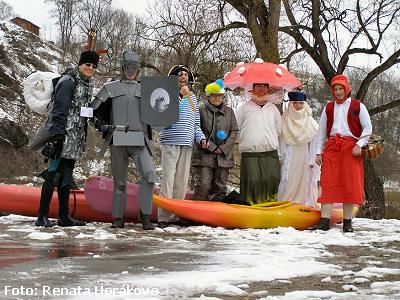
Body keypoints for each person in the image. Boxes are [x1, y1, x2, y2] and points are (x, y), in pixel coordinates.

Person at [91, 51, 156, 230]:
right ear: (122, 67)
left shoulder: (147, 90)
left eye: (133, 67)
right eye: (127, 67)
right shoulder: (110, 87)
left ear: (138, 69)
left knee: (149, 176)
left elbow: (161, 110)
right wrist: (101, 124)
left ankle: (144, 215)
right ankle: (118, 217)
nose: (130, 70)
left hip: (140, 139)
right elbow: (94, 112)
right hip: (117, 139)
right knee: (119, 183)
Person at [35, 50, 99, 227]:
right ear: (80, 64)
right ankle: (42, 216)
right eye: (87, 64)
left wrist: (98, 123)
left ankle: (64, 216)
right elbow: (59, 110)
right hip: (63, 136)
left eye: (94, 66)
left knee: (66, 177)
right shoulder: (69, 82)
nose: (90, 68)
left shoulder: (87, 84)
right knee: (52, 174)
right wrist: (57, 136)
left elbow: (85, 111)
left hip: (76, 139)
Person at [310, 74, 372, 232]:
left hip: (351, 149)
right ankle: (324, 221)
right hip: (332, 147)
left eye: (340, 89)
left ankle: (347, 222)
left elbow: (367, 128)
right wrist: (318, 152)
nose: (338, 92)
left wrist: (359, 144)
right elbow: (321, 132)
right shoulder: (329, 107)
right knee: (328, 182)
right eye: (335, 89)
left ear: (347, 89)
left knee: (349, 184)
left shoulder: (358, 106)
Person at [158, 65, 207, 228]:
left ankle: (176, 215)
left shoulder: (193, 98)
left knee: (182, 180)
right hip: (170, 140)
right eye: (179, 74)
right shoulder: (166, 95)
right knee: (168, 179)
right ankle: (163, 217)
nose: (183, 77)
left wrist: (201, 139)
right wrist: (180, 95)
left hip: (187, 142)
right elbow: (164, 116)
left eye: (185, 74)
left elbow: (196, 124)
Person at [191, 79, 238, 201]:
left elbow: (234, 131)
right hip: (204, 156)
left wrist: (223, 149)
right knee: (203, 186)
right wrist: (212, 147)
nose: (217, 98)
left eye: (219, 95)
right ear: (208, 96)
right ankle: (197, 217)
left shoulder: (230, 112)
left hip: (224, 157)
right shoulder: (201, 111)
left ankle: (216, 218)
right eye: (214, 95)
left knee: (220, 188)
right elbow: (197, 129)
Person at [236, 83, 282, 205]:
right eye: (258, 86)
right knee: (253, 181)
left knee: (272, 180)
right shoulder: (244, 108)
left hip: (270, 153)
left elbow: (279, 130)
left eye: (264, 86)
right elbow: (236, 129)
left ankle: (270, 207)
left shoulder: (273, 108)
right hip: (250, 154)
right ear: (253, 88)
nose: (261, 89)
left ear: (268, 88)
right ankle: (251, 208)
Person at [277, 91, 320, 207]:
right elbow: (281, 139)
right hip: (290, 154)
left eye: (301, 103)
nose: (298, 106)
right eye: (295, 103)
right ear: (291, 104)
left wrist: (312, 159)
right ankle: (287, 203)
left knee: (305, 180)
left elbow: (315, 138)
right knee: (289, 179)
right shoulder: (284, 119)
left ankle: (305, 204)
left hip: (305, 155)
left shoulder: (309, 120)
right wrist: (282, 156)